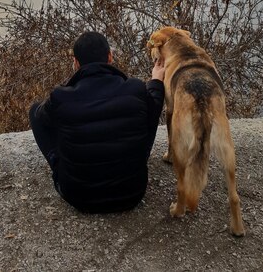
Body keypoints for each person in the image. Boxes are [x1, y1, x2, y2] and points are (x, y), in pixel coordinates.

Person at [29, 31, 165, 213]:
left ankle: (59, 164)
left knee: (35, 111)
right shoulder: (135, 89)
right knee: (147, 112)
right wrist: (156, 80)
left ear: (76, 63)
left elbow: (41, 118)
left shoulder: (61, 97)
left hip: (79, 197)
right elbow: (154, 109)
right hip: (131, 193)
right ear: (110, 57)